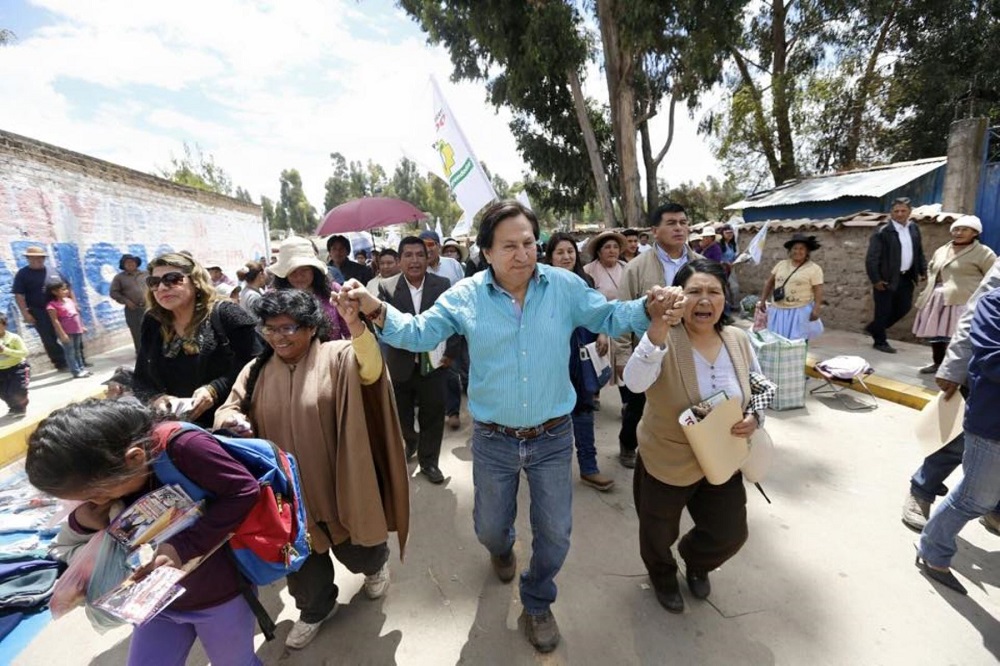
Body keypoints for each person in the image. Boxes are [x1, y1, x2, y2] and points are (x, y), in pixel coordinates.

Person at [337, 199, 674, 653]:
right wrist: (375, 309)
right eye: (509, 246)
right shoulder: (465, 295)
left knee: (555, 535)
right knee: (489, 529)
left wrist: (648, 307)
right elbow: (417, 333)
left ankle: (537, 601)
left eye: (529, 243)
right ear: (487, 252)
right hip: (494, 440)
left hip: (553, 437)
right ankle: (502, 548)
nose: (523, 254)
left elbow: (609, 317)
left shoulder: (564, 286)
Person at [214, 290, 409, 649]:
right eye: (270, 329)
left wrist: (356, 326)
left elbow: (371, 369)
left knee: (357, 547)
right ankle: (314, 609)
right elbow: (229, 408)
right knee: (302, 563)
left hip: (336, 484)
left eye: (288, 327)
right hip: (287, 497)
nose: (279, 337)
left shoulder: (338, 354)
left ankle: (374, 567)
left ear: (311, 327)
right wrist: (230, 420)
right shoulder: (255, 370)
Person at [25, 399, 263, 666]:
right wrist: (82, 520)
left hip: (219, 596)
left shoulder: (185, 448)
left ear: (135, 458)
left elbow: (244, 491)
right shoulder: (110, 472)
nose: (98, 502)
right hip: (156, 601)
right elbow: (95, 528)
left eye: (96, 494)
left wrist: (183, 547)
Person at [624, 259, 776, 613]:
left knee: (730, 531)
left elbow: (755, 384)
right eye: (694, 291)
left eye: (713, 292)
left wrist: (754, 417)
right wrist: (658, 327)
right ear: (679, 297)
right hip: (667, 456)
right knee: (658, 531)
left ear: (725, 298)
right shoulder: (664, 338)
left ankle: (696, 561)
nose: (705, 300)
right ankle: (663, 575)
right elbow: (634, 383)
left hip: (722, 455)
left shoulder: (737, 339)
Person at [901, 260, 1000, 533]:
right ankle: (922, 490)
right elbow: (975, 313)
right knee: (955, 440)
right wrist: (953, 367)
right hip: (989, 376)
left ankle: (995, 509)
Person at [916, 286, 1000, 595]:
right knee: (974, 498)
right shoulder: (994, 303)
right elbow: (992, 359)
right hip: (992, 423)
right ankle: (932, 551)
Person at [614, 203, 703, 468]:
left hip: (691, 347)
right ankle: (628, 444)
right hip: (649, 346)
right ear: (655, 231)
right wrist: (622, 356)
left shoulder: (701, 264)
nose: (679, 228)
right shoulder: (636, 268)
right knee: (638, 403)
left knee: (689, 400)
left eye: (683, 222)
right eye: (671, 223)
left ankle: (689, 447)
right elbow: (622, 312)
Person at [132, 252, 263, 427]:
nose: (162, 287)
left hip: (231, 423)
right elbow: (141, 378)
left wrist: (214, 389)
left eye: (172, 279)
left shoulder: (226, 313)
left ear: (195, 281)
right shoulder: (153, 321)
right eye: (154, 282)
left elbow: (256, 363)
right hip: (180, 429)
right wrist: (156, 399)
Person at [377, 237, 459, 484]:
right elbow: (379, 323)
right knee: (401, 416)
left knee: (433, 415)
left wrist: (450, 354)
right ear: (400, 260)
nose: (414, 261)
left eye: (420, 255)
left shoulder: (442, 285)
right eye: (408, 255)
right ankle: (410, 441)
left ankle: (429, 462)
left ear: (428, 258)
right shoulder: (387, 287)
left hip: (434, 364)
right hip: (400, 365)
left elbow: (454, 321)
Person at [545, 232, 614, 492]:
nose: (566, 257)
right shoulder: (541, 285)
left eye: (570, 251)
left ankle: (589, 467)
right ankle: (550, 472)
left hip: (582, 355)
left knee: (584, 409)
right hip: (552, 358)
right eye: (560, 252)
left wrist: (602, 332)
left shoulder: (586, 281)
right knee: (553, 415)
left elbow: (599, 313)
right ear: (550, 257)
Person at [911, 215, 995, 374]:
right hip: (937, 299)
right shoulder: (942, 250)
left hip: (963, 300)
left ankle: (957, 370)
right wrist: (933, 283)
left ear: (975, 233)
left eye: (964, 230)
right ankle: (938, 364)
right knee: (936, 335)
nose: (959, 233)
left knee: (959, 336)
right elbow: (931, 267)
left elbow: (992, 277)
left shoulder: (984, 253)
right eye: (956, 229)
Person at [865, 197, 927, 353]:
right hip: (886, 278)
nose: (899, 214)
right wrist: (876, 280)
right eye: (896, 211)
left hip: (906, 277)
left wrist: (923, 270)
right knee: (883, 310)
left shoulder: (914, 228)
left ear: (910, 212)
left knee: (904, 307)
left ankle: (875, 328)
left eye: (903, 211)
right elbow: (872, 258)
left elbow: (919, 251)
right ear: (891, 213)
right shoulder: (883, 231)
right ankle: (880, 341)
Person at [270, 236, 349, 340]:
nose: (299, 276)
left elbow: (349, 331)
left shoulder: (333, 291)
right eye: (292, 271)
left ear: (314, 270)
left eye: (305, 270)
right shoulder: (273, 298)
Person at [756, 234, 825, 340]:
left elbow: (818, 290)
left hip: (800, 310)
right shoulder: (781, 264)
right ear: (790, 250)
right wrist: (763, 300)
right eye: (795, 248)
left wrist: (816, 309)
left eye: (801, 249)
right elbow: (769, 283)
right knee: (776, 339)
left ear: (807, 252)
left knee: (797, 340)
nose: (798, 251)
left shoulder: (814, 269)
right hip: (778, 310)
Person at [12, 246, 70, 371]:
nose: (38, 260)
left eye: (41, 257)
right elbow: (19, 295)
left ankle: (78, 360)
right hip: (40, 311)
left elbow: (68, 287)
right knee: (49, 339)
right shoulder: (23, 274)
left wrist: (73, 304)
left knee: (72, 333)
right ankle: (61, 364)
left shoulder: (53, 271)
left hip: (61, 308)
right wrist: (26, 314)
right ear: (28, 259)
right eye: (34, 258)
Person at [46, 281, 89, 378]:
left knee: (77, 350)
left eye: (66, 289)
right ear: (54, 292)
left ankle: (82, 368)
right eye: (63, 289)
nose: (66, 291)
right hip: (67, 331)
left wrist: (82, 326)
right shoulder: (52, 305)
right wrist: (62, 334)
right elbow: (55, 321)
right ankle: (76, 371)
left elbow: (76, 314)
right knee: (70, 352)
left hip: (77, 329)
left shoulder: (69, 301)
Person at [109, 253, 148, 352]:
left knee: (153, 330)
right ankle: (141, 354)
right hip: (133, 310)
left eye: (132, 261)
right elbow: (113, 293)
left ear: (136, 263)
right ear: (123, 265)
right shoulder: (119, 278)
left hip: (149, 308)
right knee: (137, 333)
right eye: (127, 262)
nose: (130, 264)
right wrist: (126, 301)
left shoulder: (145, 274)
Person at [583, 231, 628, 302]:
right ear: (599, 252)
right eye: (607, 247)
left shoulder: (626, 267)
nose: (612, 251)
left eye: (615, 247)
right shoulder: (588, 270)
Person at [0, 313, 30, 416]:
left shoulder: (14, 338)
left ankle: (21, 407)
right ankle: (13, 408)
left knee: (17, 389)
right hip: (1, 370)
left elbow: (24, 353)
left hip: (18, 367)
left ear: (4, 325)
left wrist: (5, 350)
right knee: (3, 392)